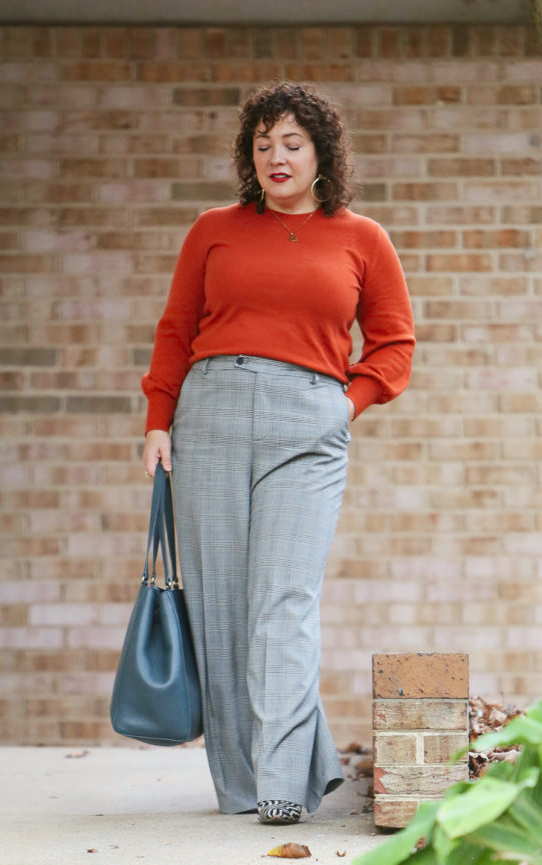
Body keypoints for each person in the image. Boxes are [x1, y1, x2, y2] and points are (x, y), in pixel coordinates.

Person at [141, 81, 415, 825]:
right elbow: (174, 330)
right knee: (223, 605)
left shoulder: (362, 238)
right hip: (211, 414)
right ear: (248, 156)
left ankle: (284, 782)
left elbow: (394, 345)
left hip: (310, 424)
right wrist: (157, 421)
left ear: (322, 152)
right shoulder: (212, 229)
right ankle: (241, 783)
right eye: (263, 145)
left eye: (291, 143)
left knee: (284, 603)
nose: (276, 157)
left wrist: (343, 405)